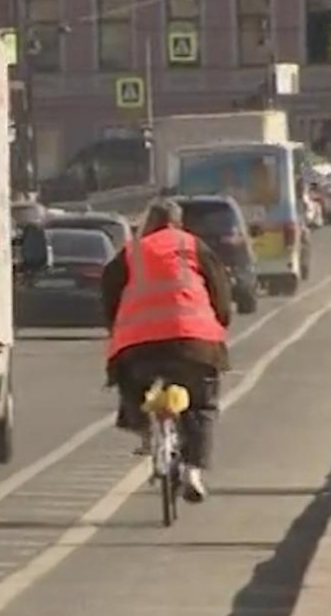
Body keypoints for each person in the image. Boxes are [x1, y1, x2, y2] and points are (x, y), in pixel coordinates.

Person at [100, 199, 232, 503]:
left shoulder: (133, 252)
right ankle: (193, 470)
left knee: (132, 387)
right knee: (201, 405)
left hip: (139, 346)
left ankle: (146, 432)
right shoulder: (193, 247)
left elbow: (110, 290)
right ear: (178, 222)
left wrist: (116, 329)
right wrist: (218, 323)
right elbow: (220, 291)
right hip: (194, 343)